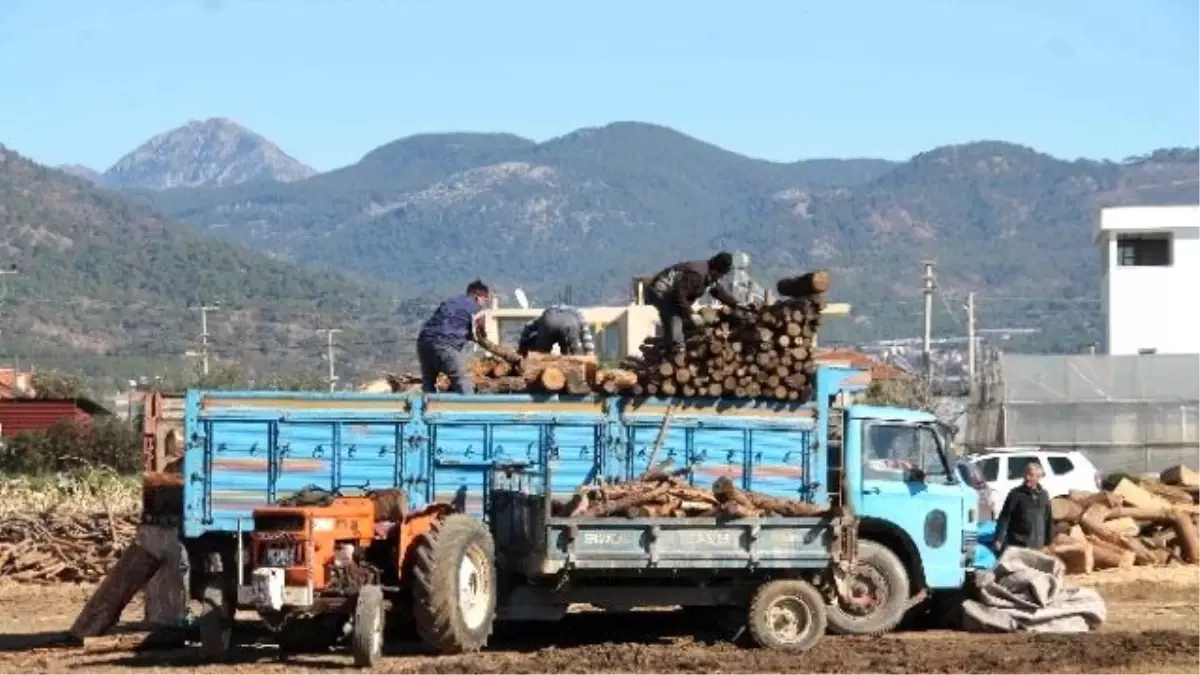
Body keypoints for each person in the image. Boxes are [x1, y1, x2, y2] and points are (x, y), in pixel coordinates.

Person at [645, 251, 741, 354]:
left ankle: (672, 344)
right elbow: (679, 295)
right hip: (661, 291)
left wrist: (735, 304)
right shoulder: (697, 275)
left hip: (672, 294)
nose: (721, 277)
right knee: (674, 313)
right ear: (717, 270)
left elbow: (718, 291)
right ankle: (676, 347)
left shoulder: (709, 275)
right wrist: (691, 313)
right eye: (721, 274)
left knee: (683, 317)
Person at [416, 280, 491, 394]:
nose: (484, 303)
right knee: (462, 381)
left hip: (424, 342)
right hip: (445, 344)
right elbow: (480, 330)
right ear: (478, 296)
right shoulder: (476, 307)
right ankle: (470, 408)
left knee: (428, 382)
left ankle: (425, 410)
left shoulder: (449, 301)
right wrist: (484, 339)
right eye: (485, 299)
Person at [993, 461, 1054, 554]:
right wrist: (999, 538)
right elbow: (1005, 517)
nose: (1027, 478)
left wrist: (1049, 541)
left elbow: (1048, 519)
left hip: (1038, 545)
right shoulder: (1015, 494)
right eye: (1025, 474)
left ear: (1038, 478)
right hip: (1019, 544)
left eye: (1031, 475)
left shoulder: (1044, 495)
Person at [517, 305, 595, 356]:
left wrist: (522, 347)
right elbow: (586, 337)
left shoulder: (547, 313)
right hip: (570, 325)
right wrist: (590, 354)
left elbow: (528, 326)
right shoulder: (578, 314)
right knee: (573, 358)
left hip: (548, 322)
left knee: (542, 356)